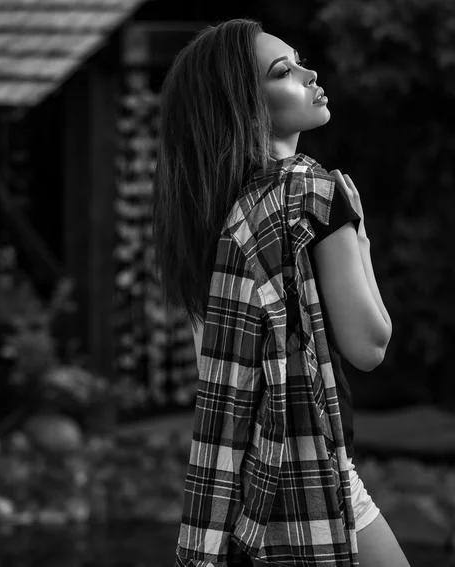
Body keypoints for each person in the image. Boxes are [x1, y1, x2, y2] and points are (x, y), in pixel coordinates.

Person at [152, 18, 411, 567]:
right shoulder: (316, 190)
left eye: (298, 61)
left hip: (240, 503)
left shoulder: (211, 221)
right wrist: (359, 234)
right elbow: (370, 345)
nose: (311, 74)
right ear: (247, 106)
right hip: (316, 484)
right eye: (284, 71)